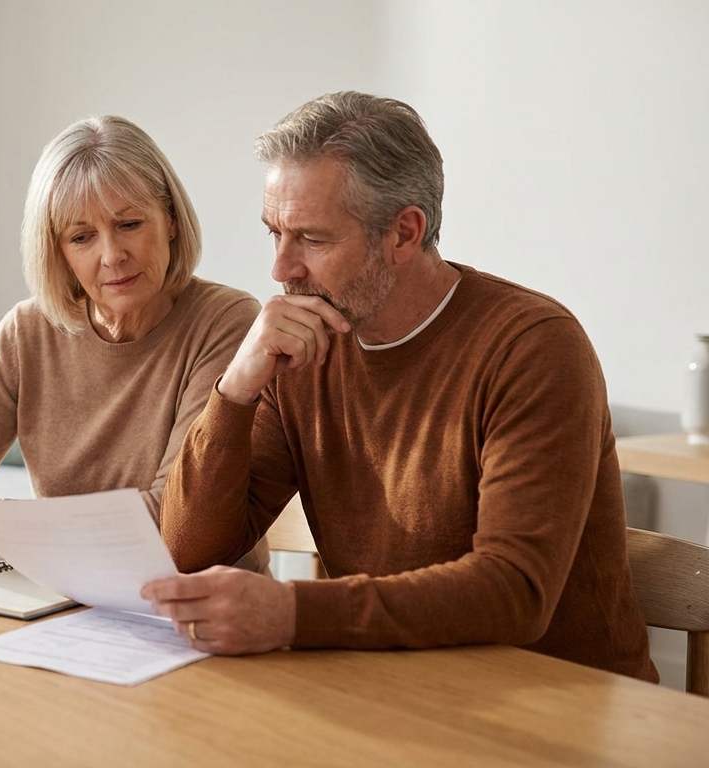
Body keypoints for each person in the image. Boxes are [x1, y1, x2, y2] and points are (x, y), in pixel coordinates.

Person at [141, 91, 657, 683]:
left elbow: (514, 591)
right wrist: (234, 391)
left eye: (311, 239)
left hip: (560, 709)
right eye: (273, 234)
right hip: (390, 690)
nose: (281, 270)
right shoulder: (303, 349)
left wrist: (290, 612)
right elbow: (187, 554)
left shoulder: (533, 347)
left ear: (404, 233)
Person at [0, 115, 269, 574]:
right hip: (68, 596)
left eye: (130, 224)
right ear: (58, 250)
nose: (112, 255)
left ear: (173, 220)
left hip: (198, 605)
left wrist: (2, 520)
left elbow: (168, 516)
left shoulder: (227, 321)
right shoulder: (28, 330)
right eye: (81, 237)